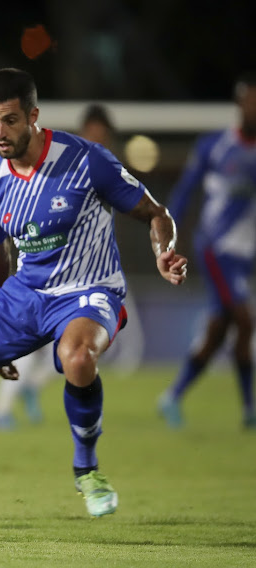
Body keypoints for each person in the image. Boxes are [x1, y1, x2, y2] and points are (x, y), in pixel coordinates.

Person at [0, 67, 187, 521]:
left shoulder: (87, 160)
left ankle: (88, 471)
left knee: (77, 359)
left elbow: (155, 214)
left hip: (89, 289)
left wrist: (165, 252)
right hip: (24, 296)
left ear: (33, 115)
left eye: (10, 121)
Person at [0, 102, 144, 431]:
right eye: (93, 136)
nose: (98, 143)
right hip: (45, 280)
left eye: (104, 138)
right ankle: (2, 408)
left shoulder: (103, 169)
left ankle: (32, 391)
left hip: (90, 280)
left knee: (77, 352)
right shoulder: (63, 168)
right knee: (31, 344)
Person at [158, 72, 256, 430]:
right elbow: (184, 191)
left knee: (219, 329)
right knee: (245, 320)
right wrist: (172, 234)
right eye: (250, 100)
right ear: (239, 104)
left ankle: (173, 396)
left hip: (246, 254)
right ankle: (249, 409)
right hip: (216, 248)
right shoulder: (215, 145)